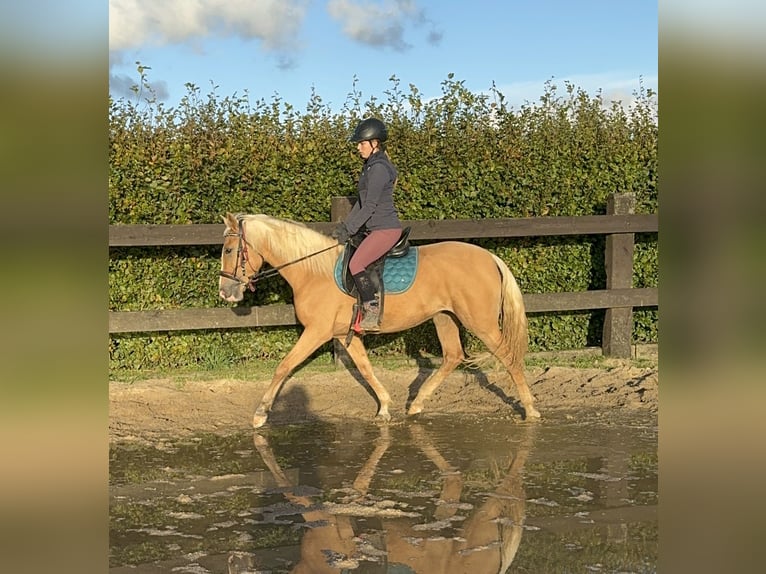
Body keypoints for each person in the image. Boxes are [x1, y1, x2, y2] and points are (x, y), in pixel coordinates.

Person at [332, 117, 403, 331]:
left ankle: (371, 312)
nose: (358, 147)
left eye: (361, 143)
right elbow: (361, 203)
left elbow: (370, 206)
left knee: (356, 264)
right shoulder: (369, 167)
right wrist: (346, 227)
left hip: (386, 229)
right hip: (376, 228)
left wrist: (351, 228)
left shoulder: (379, 168)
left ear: (375, 143)